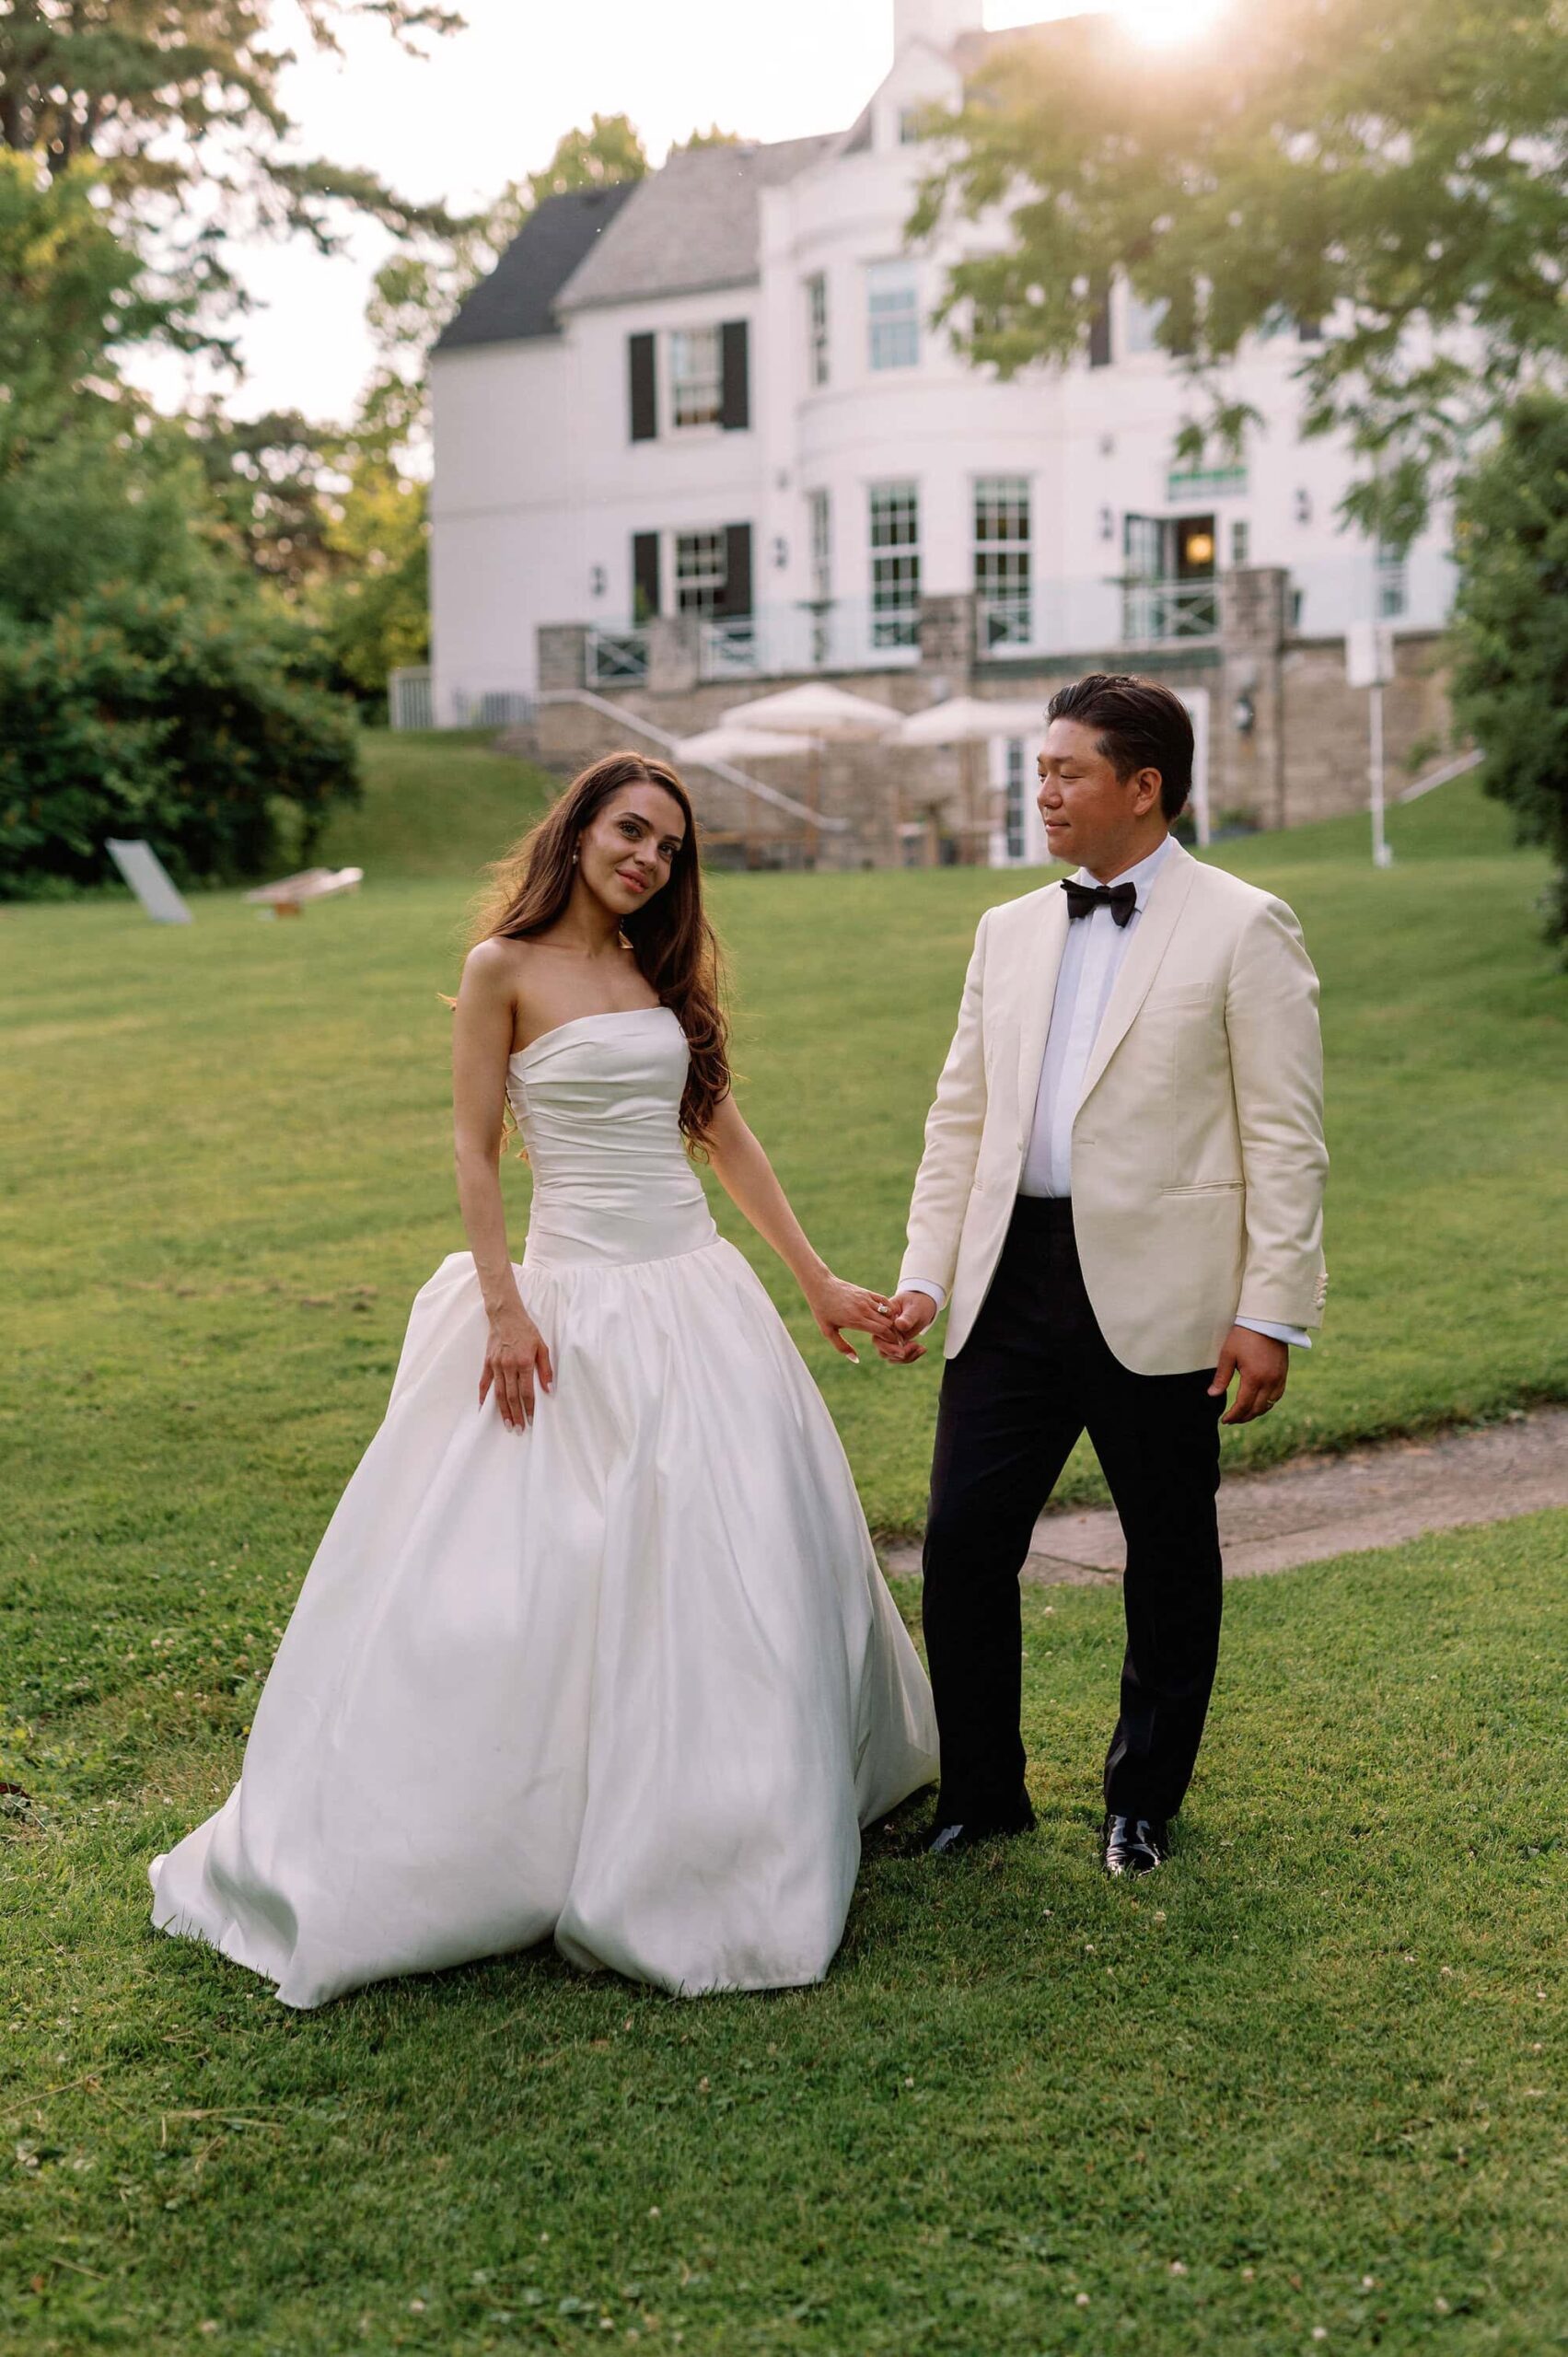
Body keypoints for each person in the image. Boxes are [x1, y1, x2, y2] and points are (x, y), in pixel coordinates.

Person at [149, 752, 937, 2006]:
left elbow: (721, 1134)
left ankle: (727, 1811)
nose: (650, 860)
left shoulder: (655, 973)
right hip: (565, 1294)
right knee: (523, 1575)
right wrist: (504, 1305)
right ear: (578, 830)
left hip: (693, 1290)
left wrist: (817, 1280)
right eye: (633, 832)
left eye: (672, 849)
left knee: (731, 1555)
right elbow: (470, 1150)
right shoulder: (501, 971)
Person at [877, 674, 1327, 1876]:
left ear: (1145, 787)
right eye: (1041, 770)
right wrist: (926, 1275)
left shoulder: (1245, 925)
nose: (1044, 792)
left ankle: (1143, 1801)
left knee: (1169, 1551)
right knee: (966, 1541)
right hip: (1006, 1280)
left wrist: (1268, 1307)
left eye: (1067, 771)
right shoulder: (1006, 930)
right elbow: (957, 1120)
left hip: (1166, 1294)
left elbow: (1286, 1137)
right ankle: (982, 1794)